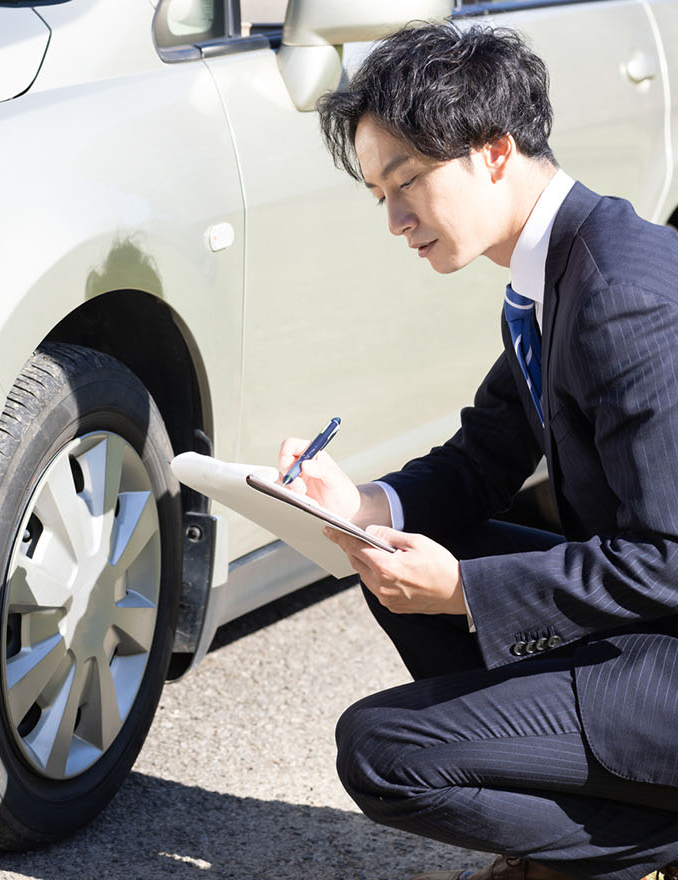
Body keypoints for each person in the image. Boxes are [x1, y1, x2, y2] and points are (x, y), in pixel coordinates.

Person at [287, 22, 678, 880]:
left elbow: (669, 560)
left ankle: (625, 844)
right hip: (650, 629)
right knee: (390, 552)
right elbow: (483, 458)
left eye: (406, 183)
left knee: (382, 749)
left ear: (493, 151)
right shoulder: (562, 267)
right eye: (377, 195)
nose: (393, 220)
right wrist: (359, 508)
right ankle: (571, 820)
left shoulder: (620, 294)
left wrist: (464, 590)